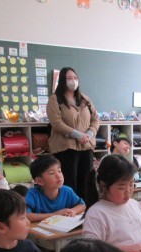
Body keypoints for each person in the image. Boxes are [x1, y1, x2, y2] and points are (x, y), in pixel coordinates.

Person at [46, 67, 99, 199]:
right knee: (70, 183)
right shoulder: (55, 99)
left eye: (75, 78)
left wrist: (89, 134)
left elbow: (95, 119)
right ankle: (72, 209)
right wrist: (78, 135)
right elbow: (56, 123)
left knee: (87, 183)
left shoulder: (85, 99)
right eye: (69, 78)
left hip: (86, 146)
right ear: (63, 80)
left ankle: (87, 208)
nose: (73, 81)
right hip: (66, 148)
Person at [25, 155, 85, 222]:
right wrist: (54, 215)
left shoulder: (67, 191)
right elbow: (25, 215)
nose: (58, 176)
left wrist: (73, 211)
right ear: (39, 181)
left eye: (59, 171)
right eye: (52, 173)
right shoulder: (32, 194)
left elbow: (82, 205)